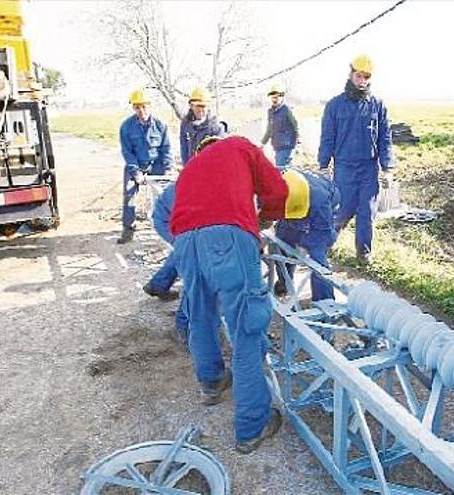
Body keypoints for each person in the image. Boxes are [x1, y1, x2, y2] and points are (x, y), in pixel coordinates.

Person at [170, 135, 288, 454]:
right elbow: (278, 190)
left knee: (200, 314)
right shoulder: (240, 146)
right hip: (227, 238)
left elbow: (179, 215)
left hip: (184, 242)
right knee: (246, 328)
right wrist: (260, 222)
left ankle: (211, 383)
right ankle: (252, 425)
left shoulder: (190, 167)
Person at [317, 54, 393, 262]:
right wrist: (323, 165)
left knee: (367, 212)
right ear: (351, 74)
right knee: (343, 210)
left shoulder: (377, 105)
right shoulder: (334, 105)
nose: (362, 81)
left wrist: (387, 168)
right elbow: (327, 137)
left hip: (369, 169)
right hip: (344, 168)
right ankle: (325, 244)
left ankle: (363, 253)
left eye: (366, 77)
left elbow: (385, 137)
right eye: (359, 76)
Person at [273, 169, 340, 301]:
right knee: (282, 242)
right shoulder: (276, 183)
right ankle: (284, 282)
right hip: (296, 203)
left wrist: (312, 241)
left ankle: (325, 300)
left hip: (319, 207)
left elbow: (325, 235)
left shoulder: (320, 203)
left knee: (317, 256)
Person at [118, 87, 173, 244]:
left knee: (166, 192)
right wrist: (136, 173)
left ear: (149, 106)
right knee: (129, 195)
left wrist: (168, 168)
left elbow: (166, 149)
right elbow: (127, 152)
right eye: (137, 107)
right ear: (133, 108)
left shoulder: (160, 125)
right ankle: (128, 229)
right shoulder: (126, 127)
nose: (141, 110)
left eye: (144, 106)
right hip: (135, 164)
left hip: (156, 164)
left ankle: (167, 226)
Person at [144, 181, 189, 345]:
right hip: (170, 219)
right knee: (195, 270)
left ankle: (157, 285)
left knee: (183, 253)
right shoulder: (203, 183)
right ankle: (183, 326)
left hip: (177, 218)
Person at [179, 87, 225, 164]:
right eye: (197, 106)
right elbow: (184, 150)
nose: (200, 110)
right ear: (191, 106)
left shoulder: (216, 128)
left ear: (208, 107)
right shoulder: (185, 125)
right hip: (191, 167)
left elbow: (220, 155)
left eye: (203, 106)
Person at [260, 83, 299, 169]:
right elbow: (269, 130)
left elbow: (296, 128)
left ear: (281, 97)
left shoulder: (287, 110)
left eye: (276, 97)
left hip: (287, 147)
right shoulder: (270, 112)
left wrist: (297, 145)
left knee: (281, 170)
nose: (274, 99)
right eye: (273, 97)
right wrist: (262, 143)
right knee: (284, 171)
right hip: (277, 147)